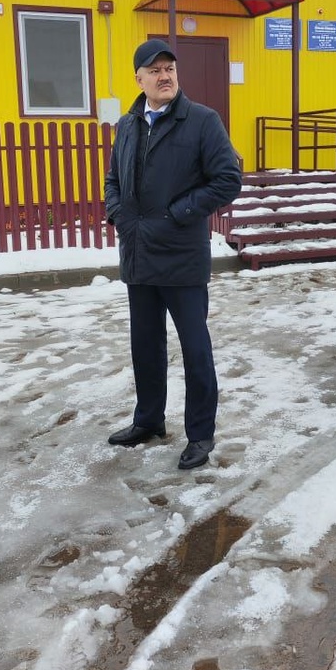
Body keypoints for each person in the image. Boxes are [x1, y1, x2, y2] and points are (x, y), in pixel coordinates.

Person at [104, 38, 242, 470]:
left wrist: (179, 213)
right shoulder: (128, 125)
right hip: (139, 255)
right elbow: (112, 179)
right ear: (139, 79)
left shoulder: (201, 121)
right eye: (155, 69)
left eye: (170, 69)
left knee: (195, 348)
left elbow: (227, 179)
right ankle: (148, 420)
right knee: (144, 346)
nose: (165, 76)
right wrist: (117, 214)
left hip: (182, 256)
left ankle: (200, 433)